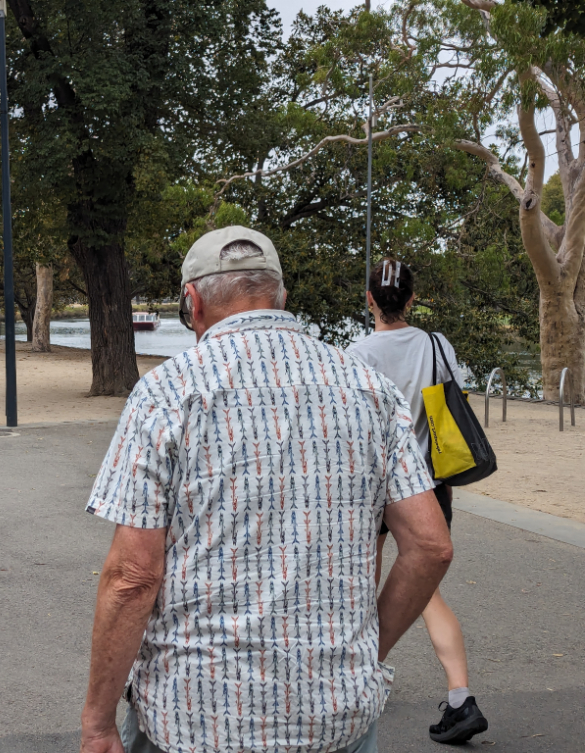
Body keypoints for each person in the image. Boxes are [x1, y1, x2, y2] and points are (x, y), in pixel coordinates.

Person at [81, 226, 454, 753]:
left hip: (198, 714)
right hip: (336, 716)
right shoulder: (369, 389)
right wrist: (365, 649)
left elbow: (133, 576)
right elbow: (431, 546)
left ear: (193, 303)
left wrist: (98, 724)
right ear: (282, 296)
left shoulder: (169, 391)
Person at [348, 258, 488, 744]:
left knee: (363, 579)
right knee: (425, 591)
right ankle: (460, 696)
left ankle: (359, 676)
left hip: (372, 488)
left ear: (369, 299)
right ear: (411, 299)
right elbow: (454, 399)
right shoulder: (435, 344)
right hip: (428, 485)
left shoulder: (356, 353)